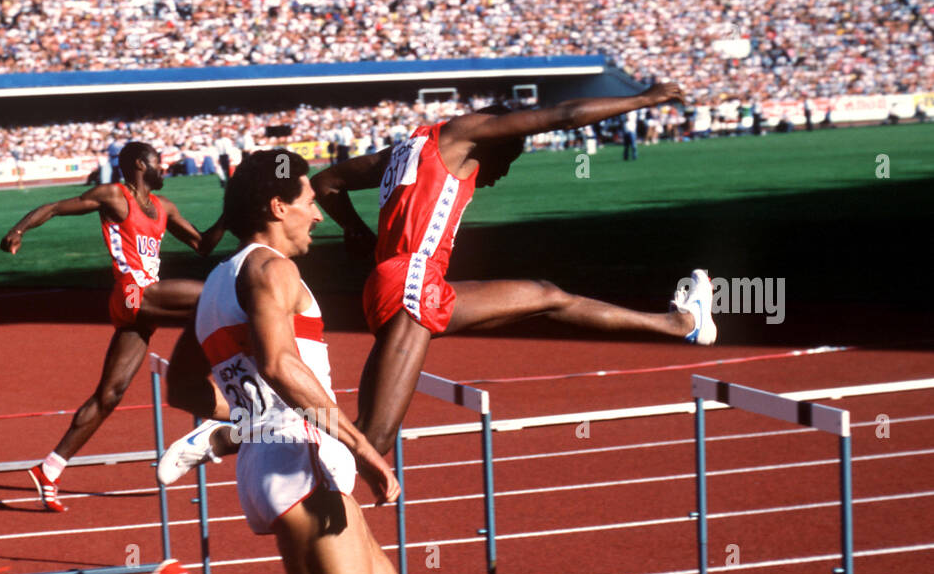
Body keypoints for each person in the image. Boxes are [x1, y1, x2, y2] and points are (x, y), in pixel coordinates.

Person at [93, 149, 523, 574]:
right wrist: (358, 445)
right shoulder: (271, 268)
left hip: (276, 460)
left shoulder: (215, 283)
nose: (319, 212)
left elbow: (182, 387)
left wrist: (245, 424)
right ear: (277, 207)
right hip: (302, 463)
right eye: (308, 200)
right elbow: (280, 363)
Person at [158, 84, 716, 477]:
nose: (495, 179)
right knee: (373, 442)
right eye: (504, 163)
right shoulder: (466, 133)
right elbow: (563, 115)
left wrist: (356, 233)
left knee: (547, 296)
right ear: (496, 139)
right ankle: (228, 436)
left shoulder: (409, 146)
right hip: (409, 287)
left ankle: (683, 323)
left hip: (407, 284)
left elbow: (327, 181)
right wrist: (644, 100)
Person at [0, 141, 226, 513]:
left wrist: (229, 215)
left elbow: (203, 245)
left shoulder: (165, 207)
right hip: (133, 294)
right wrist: (18, 229)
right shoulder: (114, 196)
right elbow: (56, 207)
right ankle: (207, 392)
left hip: (143, 310)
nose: (164, 168)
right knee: (213, 297)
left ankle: (49, 468)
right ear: (140, 164)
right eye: (159, 162)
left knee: (110, 395)